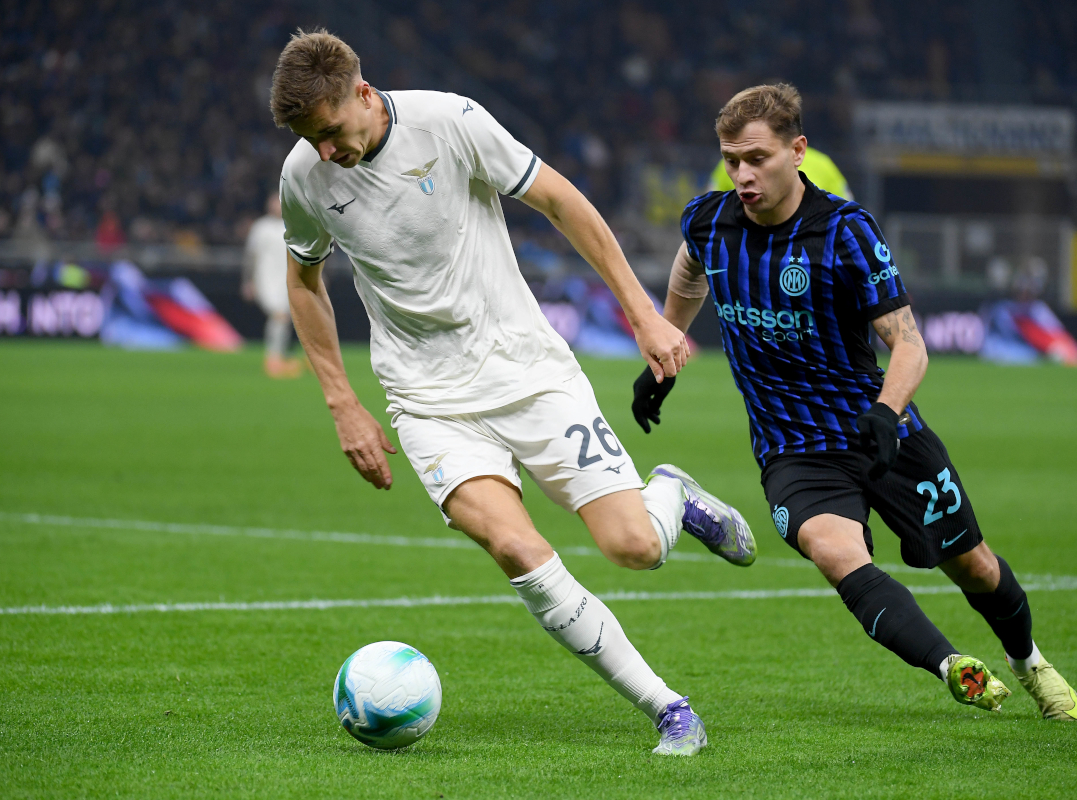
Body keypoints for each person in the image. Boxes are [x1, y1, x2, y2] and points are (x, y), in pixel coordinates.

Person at [270, 29, 758, 755]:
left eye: (332, 131)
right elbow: (304, 282)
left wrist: (641, 314)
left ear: (363, 95)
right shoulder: (304, 176)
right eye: (311, 140)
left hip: (528, 373)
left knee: (633, 547)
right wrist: (343, 402)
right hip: (428, 401)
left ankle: (671, 496)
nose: (325, 151)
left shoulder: (451, 122)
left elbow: (561, 200)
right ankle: (668, 708)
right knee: (514, 546)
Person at [633, 84, 1077, 721]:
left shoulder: (845, 231)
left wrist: (886, 413)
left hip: (881, 432)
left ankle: (1029, 663)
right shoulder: (708, 221)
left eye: (757, 158)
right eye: (732, 160)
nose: (742, 175)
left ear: (797, 151)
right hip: (792, 448)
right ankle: (952, 666)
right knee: (836, 554)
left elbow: (910, 346)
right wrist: (667, 349)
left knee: (976, 567)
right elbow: (689, 270)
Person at [242, 192, 302, 377]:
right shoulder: (261, 227)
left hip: (287, 281)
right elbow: (250, 256)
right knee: (279, 316)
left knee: (285, 318)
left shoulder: (294, 225)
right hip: (265, 281)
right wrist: (248, 281)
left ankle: (279, 357)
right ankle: (273, 359)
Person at [708, 145, 852, 200]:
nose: (744, 178)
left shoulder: (822, 164)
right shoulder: (729, 164)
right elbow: (712, 212)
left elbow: (846, 215)